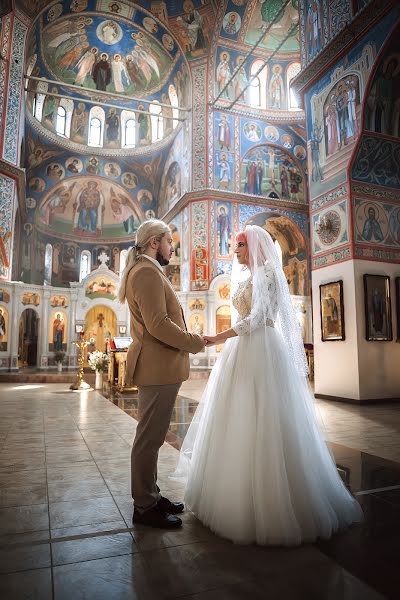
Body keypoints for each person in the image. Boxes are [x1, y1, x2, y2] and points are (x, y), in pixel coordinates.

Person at [174, 225, 362, 545]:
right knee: (237, 417)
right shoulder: (248, 277)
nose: (235, 251)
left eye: (241, 246)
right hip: (243, 350)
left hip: (261, 348)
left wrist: (218, 337)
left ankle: (270, 504)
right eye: (236, 246)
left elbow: (259, 318)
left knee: (265, 417)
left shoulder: (267, 276)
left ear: (256, 247)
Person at [118, 219, 205, 529]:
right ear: (155, 242)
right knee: (149, 439)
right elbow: (158, 324)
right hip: (157, 366)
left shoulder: (147, 270)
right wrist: (194, 341)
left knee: (152, 437)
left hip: (161, 366)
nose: (173, 247)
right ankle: (144, 506)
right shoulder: (145, 273)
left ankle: (151, 495)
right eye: (170, 241)